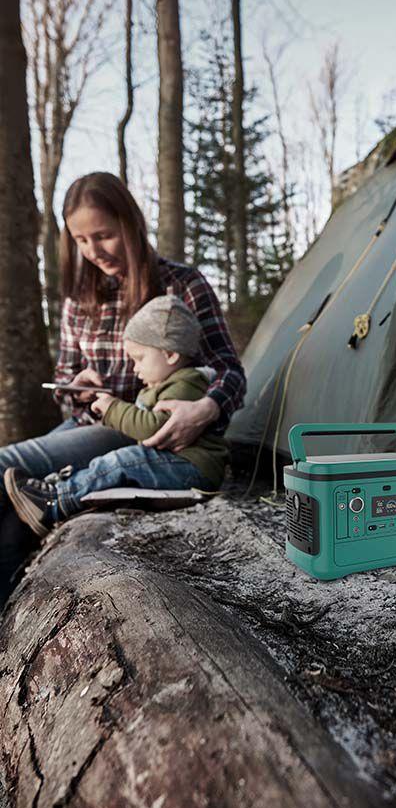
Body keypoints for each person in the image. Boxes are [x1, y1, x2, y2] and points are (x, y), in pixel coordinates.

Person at [0, 172, 245, 607]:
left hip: (142, 430)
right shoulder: (79, 299)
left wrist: (205, 409)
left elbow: (230, 372)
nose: (94, 251)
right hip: (88, 422)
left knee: (6, 464)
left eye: (104, 235)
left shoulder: (182, 287)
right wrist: (75, 387)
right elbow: (66, 376)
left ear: (131, 224)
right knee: (12, 495)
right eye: (81, 240)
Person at [4, 295, 229, 537]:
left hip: (192, 468)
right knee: (119, 460)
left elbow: (155, 428)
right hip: (176, 463)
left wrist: (113, 409)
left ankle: (57, 501)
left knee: (121, 462)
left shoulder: (188, 382)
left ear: (170, 355)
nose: (135, 368)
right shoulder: (161, 385)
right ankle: (57, 488)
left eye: (139, 358)